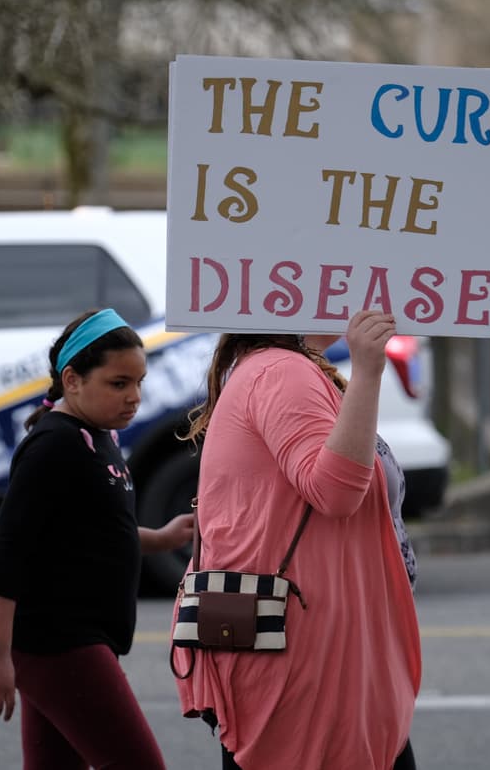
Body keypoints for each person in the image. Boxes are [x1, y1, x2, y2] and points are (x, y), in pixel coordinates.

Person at [173, 310, 422, 770]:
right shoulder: (281, 372)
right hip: (307, 658)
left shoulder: (281, 367)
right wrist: (368, 371)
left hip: (314, 653)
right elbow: (336, 491)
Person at [0, 308, 194, 770]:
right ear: (72, 379)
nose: (135, 397)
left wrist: (161, 537)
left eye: (139, 382)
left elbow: (94, 532)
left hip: (74, 639)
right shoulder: (54, 445)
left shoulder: (97, 435)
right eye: (119, 383)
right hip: (60, 641)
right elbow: (7, 550)